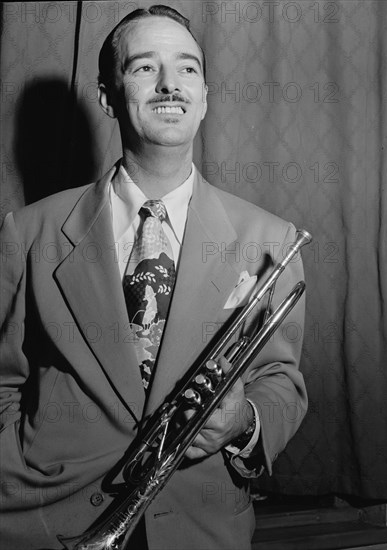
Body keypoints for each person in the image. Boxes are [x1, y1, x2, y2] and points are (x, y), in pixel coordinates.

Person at [0, 5, 308, 549]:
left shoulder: (271, 239)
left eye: (187, 68)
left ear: (206, 96)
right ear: (107, 95)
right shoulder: (28, 230)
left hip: (200, 525)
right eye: (144, 68)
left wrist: (243, 421)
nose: (170, 84)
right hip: (45, 524)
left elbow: (281, 382)